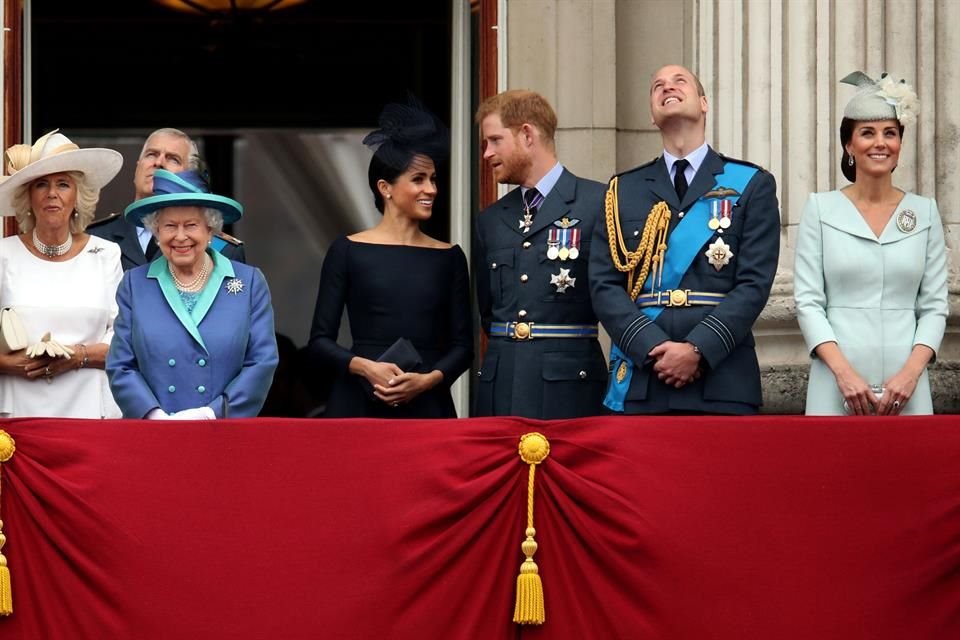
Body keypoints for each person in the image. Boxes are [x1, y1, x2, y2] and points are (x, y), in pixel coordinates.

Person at [589, 64, 780, 415]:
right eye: (657, 85)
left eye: (679, 81)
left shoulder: (751, 183)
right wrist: (652, 346)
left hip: (723, 378)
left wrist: (697, 350)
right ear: (651, 114)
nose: (667, 87)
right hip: (643, 380)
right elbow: (603, 285)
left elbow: (754, 284)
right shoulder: (621, 191)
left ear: (704, 103)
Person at [794, 72, 947, 416]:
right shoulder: (821, 209)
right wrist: (844, 374)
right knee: (832, 469)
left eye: (890, 133)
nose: (880, 142)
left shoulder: (924, 212)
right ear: (849, 145)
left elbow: (935, 306)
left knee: (909, 470)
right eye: (867, 132)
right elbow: (808, 301)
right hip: (836, 381)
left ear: (900, 144)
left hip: (906, 385)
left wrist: (909, 375)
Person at [307, 100, 472, 418]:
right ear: (386, 188)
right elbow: (319, 343)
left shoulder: (449, 257)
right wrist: (365, 368)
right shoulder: (347, 250)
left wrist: (428, 381)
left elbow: (463, 347)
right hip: (358, 402)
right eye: (419, 179)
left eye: (433, 179)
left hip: (427, 405)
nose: (431, 189)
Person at [473, 90, 608, 418]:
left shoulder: (598, 202)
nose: (487, 153)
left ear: (527, 134)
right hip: (501, 384)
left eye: (494, 140)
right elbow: (488, 311)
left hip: (569, 388)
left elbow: (617, 299)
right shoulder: (491, 219)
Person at [107, 169, 278, 418]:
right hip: (154, 434)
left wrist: (212, 413)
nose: (180, 236)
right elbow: (121, 365)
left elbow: (262, 362)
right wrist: (152, 415)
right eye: (169, 226)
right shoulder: (135, 284)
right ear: (156, 233)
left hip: (223, 431)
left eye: (191, 225)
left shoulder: (249, 282)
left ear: (210, 231)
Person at [0, 130, 124, 417]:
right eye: (41, 184)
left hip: (90, 412)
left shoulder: (106, 255)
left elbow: (123, 338)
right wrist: (10, 364)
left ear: (78, 196)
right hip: (19, 414)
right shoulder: (4, 255)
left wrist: (76, 356)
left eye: (63, 184)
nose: (52, 194)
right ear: (27, 197)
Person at [88, 127, 245, 270]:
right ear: (138, 167)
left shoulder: (223, 249)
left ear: (189, 176)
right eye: (151, 154)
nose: (159, 163)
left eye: (173, 158)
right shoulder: (94, 237)